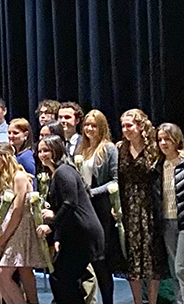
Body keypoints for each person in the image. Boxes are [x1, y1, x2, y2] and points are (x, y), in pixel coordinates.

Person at [34, 136, 103, 304]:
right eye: (40, 151)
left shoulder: (63, 171)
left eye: (47, 151)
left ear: (57, 151)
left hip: (82, 233)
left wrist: (51, 227)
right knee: (64, 278)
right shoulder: (57, 173)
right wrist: (58, 237)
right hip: (73, 233)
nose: (43, 154)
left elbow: (70, 203)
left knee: (62, 278)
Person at [117, 109, 165, 304]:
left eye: (130, 125)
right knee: (132, 259)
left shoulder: (154, 148)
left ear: (140, 126)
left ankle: (152, 301)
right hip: (128, 209)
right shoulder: (120, 148)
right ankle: (137, 301)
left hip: (150, 208)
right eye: (123, 126)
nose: (126, 129)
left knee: (152, 259)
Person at [0, 143, 43, 304]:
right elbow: (3, 206)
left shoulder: (19, 176)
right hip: (7, 225)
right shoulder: (4, 177)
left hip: (20, 227)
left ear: (5, 158)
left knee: (3, 273)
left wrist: (3, 239)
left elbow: (18, 211)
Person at [75, 110, 121, 304]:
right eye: (87, 125)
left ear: (102, 127)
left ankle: (108, 300)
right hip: (83, 207)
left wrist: (92, 192)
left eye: (94, 125)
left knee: (101, 259)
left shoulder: (109, 148)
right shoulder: (81, 148)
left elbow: (115, 181)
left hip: (100, 207)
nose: (89, 129)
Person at [156, 123, 184, 304]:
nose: (163, 143)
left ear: (177, 140)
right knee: (175, 270)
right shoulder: (159, 165)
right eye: (160, 139)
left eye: (168, 139)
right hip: (167, 221)